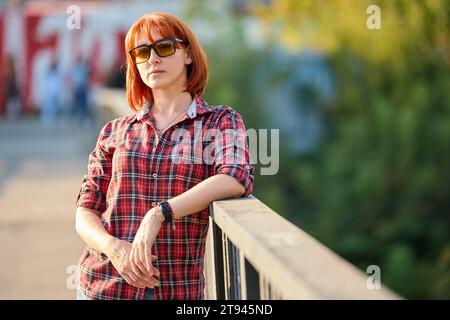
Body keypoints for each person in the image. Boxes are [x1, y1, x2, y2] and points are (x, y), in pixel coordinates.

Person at [75, 12, 254, 300]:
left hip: (173, 290)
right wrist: (114, 248)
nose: (153, 59)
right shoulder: (114, 130)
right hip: (103, 287)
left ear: (187, 54)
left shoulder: (220, 121)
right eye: (142, 52)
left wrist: (159, 214)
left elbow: (235, 176)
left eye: (165, 47)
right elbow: (85, 210)